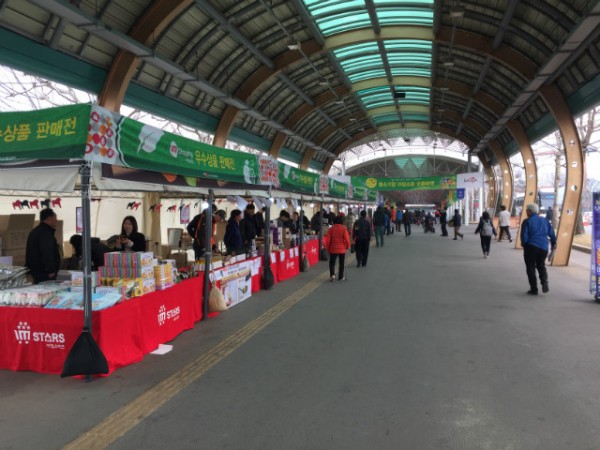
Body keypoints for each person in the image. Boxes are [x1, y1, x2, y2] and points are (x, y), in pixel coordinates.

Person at [521, 203, 557, 295]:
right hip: (543, 248)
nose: (526, 212)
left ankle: (534, 289)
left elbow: (524, 236)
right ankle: (544, 283)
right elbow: (552, 235)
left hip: (531, 247)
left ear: (530, 211)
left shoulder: (527, 221)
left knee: (530, 268)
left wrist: (525, 246)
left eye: (527, 210)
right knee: (541, 266)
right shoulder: (545, 221)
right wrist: (553, 245)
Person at [25, 208, 61, 284]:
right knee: (47, 292)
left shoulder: (35, 231)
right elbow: (47, 252)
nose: (56, 220)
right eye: (55, 218)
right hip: (44, 272)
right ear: (49, 218)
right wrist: (50, 270)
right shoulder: (45, 233)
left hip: (36, 271)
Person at [325, 216, 350, 281]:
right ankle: (341, 276)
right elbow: (347, 239)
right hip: (342, 249)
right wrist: (347, 246)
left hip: (333, 249)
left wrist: (328, 248)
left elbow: (327, 241)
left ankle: (332, 275)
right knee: (341, 263)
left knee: (332, 262)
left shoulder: (331, 229)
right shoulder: (344, 229)